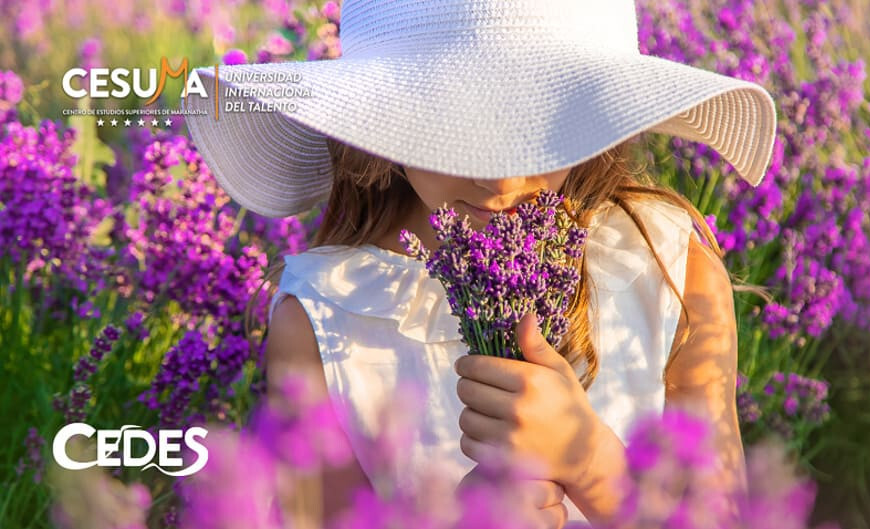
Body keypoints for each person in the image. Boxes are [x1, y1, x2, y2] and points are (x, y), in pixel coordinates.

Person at [182, 1, 777, 527]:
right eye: (455, 124)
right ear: (379, 117)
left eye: (541, 124)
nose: (499, 179)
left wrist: (594, 465)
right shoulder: (326, 316)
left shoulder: (670, 271)